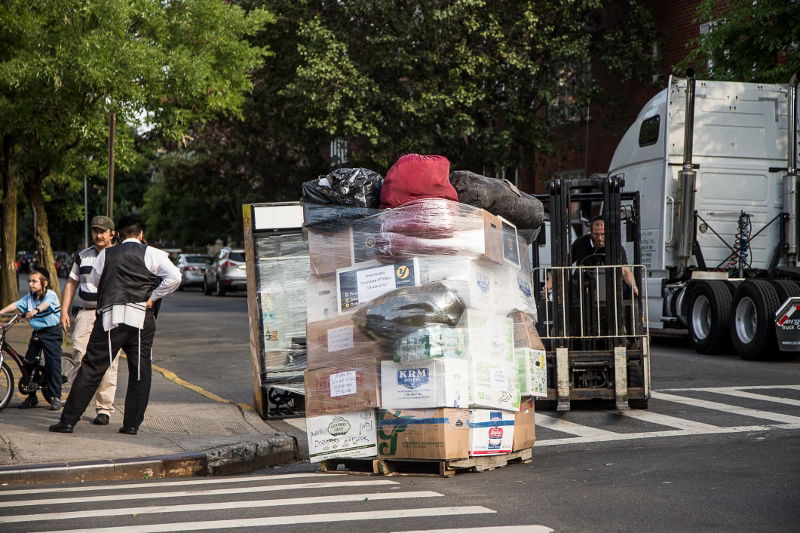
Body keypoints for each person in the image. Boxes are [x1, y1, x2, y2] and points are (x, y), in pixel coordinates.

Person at [49, 216, 181, 434]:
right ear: (140, 234)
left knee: (92, 368)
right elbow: (175, 277)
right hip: (141, 318)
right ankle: (131, 425)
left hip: (112, 318)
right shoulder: (154, 253)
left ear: (118, 235)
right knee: (140, 371)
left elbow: (95, 280)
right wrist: (153, 297)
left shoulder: (106, 255)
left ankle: (68, 421)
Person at [59, 215, 120, 425]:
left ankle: (104, 409)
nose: (98, 235)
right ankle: (77, 404)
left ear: (112, 233)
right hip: (85, 312)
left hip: (111, 313)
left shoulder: (118, 255)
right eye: (95, 231)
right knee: (79, 354)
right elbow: (71, 283)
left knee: (109, 361)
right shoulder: (82, 256)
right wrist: (64, 310)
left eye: (103, 231)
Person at [0, 266, 63, 409]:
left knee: (53, 364)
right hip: (38, 333)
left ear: (44, 283)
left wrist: (35, 310)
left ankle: (56, 396)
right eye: (29, 281)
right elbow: (14, 305)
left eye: (34, 281)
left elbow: (45, 305)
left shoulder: (51, 295)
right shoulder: (29, 298)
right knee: (27, 363)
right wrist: (1, 312)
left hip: (51, 332)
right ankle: (32, 397)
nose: (30, 284)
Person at [571, 216, 638, 296]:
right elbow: (565, 263)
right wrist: (552, 285)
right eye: (596, 234)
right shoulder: (580, 243)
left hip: (608, 288)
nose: (599, 238)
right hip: (583, 287)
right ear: (591, 233)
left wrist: (634, 287)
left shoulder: (616, 246)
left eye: (603, 234)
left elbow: (625, 270)